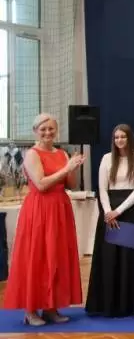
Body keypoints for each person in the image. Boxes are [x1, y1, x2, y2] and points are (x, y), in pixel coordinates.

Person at [3, 113, 84, 325]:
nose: (48, 132)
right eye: (43, 129)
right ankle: (30, 311)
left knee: (56, 257)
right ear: (35, 131)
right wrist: (66, 168)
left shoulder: (62, 154)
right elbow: (40, 184)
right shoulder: (32, 154)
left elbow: (71, 185)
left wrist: (73, 168)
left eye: (51, 128)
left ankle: (51, 307)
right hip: (39, 210)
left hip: (60, 208)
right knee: (37, 257)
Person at [85, 124, 134, 317]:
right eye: (116, 137)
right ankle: (107, 304)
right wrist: (108, 211)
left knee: (128, 259)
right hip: (109, 213)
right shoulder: (106, 158)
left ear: (129, 138)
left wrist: (119, 211)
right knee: (109, 258)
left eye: (123, 137)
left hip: (129, 211)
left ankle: (128, 305)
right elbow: (102, 189)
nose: (119, 140)